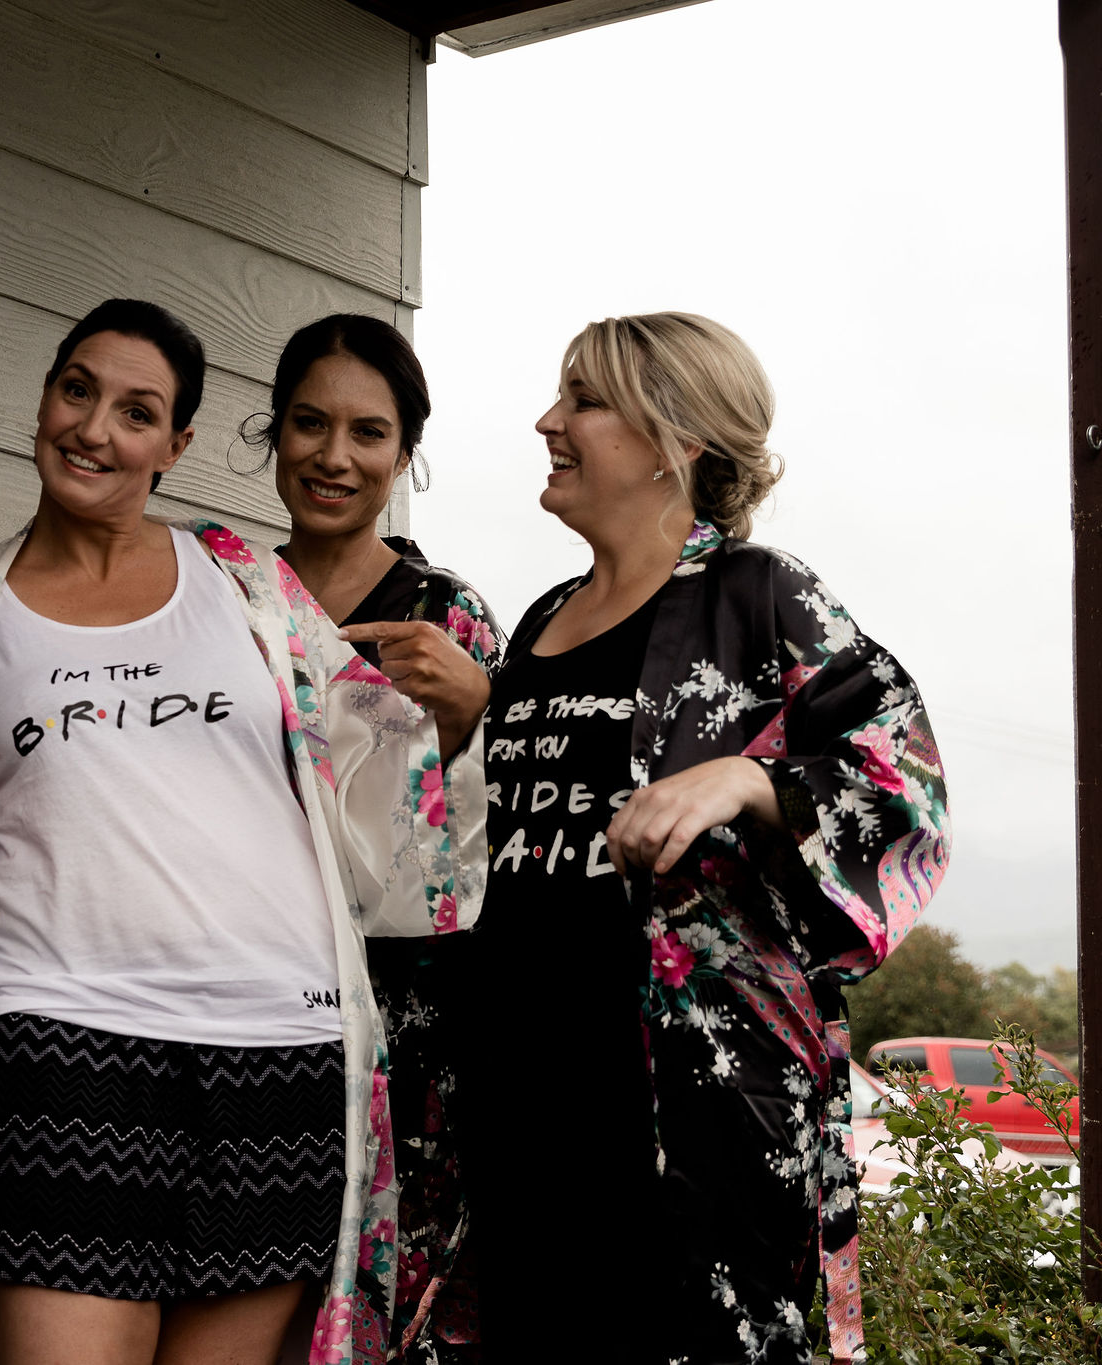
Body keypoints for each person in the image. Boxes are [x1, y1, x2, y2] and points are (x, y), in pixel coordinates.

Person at [0, 299, 489, 1365]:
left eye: (136, 412)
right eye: (76, 390)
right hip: (58, 1047)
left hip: (280, 1056)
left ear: (176, 445)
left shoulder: (251, 590)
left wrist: (458, 721)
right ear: (43, 395)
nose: (93, 429)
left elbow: (390, 810)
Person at [423, 313, 950, 1363]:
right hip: (518, 1092)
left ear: (677, 440)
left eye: (580, 398)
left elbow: (907, 796)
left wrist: (745, 779)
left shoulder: (760, 598)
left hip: (679, 1115)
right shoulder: (538, 623)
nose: (546, 421)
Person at [243, 314, 503, 1359]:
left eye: (366, 433)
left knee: (388, 1315)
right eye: (308, 424)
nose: (333, 457)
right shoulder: (226, 604)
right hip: (250, 1007)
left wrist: (475, 713)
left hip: (412, 1035)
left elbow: (502, 841)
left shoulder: (449, 622)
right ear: (272, 433)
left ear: (405, 453)